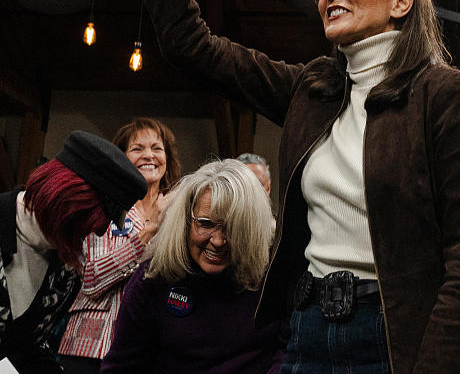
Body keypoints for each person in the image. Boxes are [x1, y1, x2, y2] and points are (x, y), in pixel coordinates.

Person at [132, 0, 460, 372]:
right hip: (308, 326)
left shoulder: (441, 94)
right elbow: (192, 46)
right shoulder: (312, 90)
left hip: (396, 335)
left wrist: (440, 360)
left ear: (401, 1)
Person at [101, 159, 284, 373]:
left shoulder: (273, 275)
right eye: (205, 224)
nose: (218, 241)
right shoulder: (154, 278)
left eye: (232, 227)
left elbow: (287, 352)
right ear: (186, 221)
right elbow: (122, 365)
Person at [0, 131, 146, 373]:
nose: (93, 236)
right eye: (87, 224)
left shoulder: (66, 266)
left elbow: (28, 349)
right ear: (65, 200)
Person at [58, 118, 182, 374]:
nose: (149, 155)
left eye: (157, 148)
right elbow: (92, 279)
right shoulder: (105, 204)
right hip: (90, 348)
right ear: (122, 157)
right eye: (137, 149)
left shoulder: (176, 210)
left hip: (146, 350)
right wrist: (148, 233)